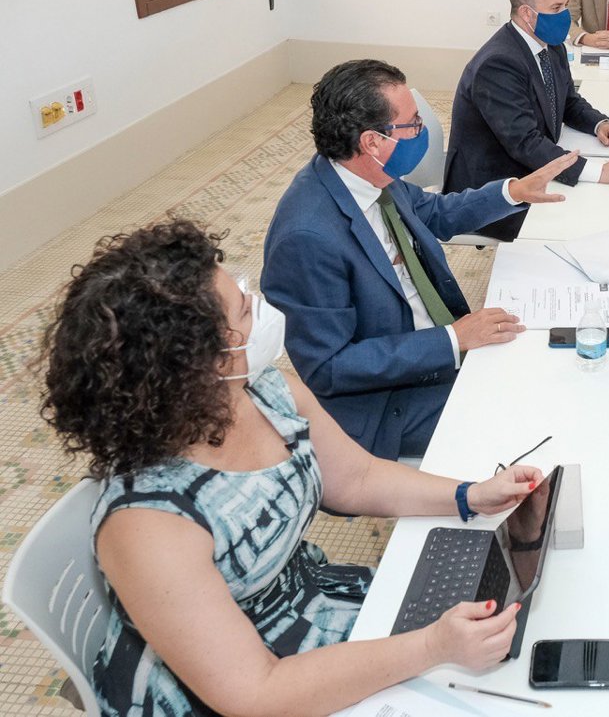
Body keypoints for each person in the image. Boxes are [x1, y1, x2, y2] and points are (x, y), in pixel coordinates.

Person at [39, 219, 544, 716]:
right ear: (203, 362)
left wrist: (468, 494)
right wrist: (432, 647)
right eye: (243, 309)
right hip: (233, 688)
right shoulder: (148, 524)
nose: (258, 306)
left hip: (305, 603)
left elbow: (358, 478)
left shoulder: (261, 391)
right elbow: (255, 694)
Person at [262, 59, 577, 459]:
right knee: (531, 413)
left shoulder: (368, 176)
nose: (423, 130)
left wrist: (512, 191)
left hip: (433, 347)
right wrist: (453, 339)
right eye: (412, 124)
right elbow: (330, 368)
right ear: (372, 142)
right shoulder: (306, 237)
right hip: (388, 401)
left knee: (550, 365)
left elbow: (436, 213)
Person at [444, 0, 609, 241]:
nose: (565, 15)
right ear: (527, 13)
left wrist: (599, 123)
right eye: (556, 8)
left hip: (529, 162)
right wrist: (598, 171)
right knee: (587, 220)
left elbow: (568, 100)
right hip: (495, 187)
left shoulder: (550, 44)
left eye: (565, 5)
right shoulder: (498, 63)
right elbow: (524, 143)